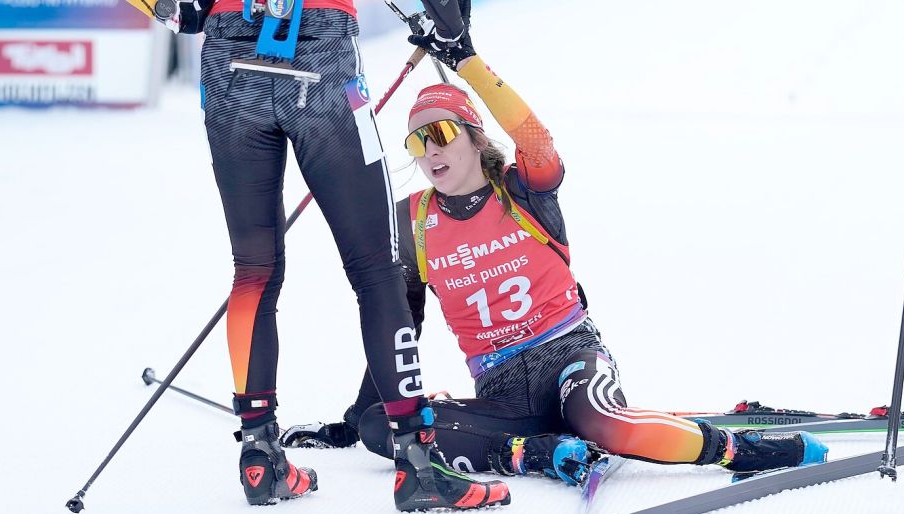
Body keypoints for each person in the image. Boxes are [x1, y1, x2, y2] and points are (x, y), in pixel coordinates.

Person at [288, 12, 830, 485]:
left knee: (603, 424)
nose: (429, 152)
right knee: (384, 427)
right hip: (500, 391)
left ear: (475, 137)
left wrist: (467, 61)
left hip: (568, 358)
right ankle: (533, 455)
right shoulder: (414, 220)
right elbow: (398, 326)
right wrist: (357, 414)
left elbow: (537, 141)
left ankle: (741, 449)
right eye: (416, 141)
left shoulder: (523, 190)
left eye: (442, 133)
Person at [138, 0, 511, 510]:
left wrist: (168, 8)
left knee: (252, 272)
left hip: (227, 55)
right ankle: (418, 466)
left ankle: (260, 456)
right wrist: (446, 16)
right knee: (377, 269)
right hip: (320, 42)